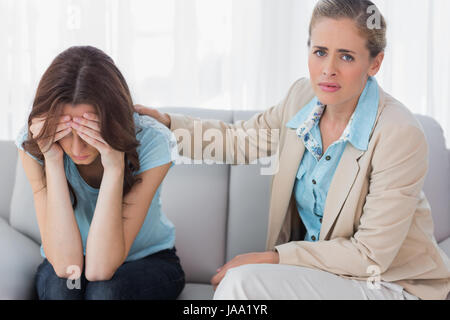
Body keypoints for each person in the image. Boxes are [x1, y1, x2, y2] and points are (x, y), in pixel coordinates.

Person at [135, 0, 450, 300]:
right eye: (320, 52)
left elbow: (369, 254)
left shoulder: (399, 134)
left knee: (242, 284)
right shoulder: (302, 98)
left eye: (346, 57)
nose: (328, 69)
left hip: (389, 284)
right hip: (327, 276)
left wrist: (273, 258)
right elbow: (240, 140)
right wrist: (166, 124)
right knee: (240, 284)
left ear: (375, 63)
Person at [16, 46, 185, 300]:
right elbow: (65, 266)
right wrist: (52, 159)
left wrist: (115, 166)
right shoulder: (36, 143)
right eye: (65, 133)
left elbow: (99, 269)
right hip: (68, 256)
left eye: (89, 131)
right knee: (62, 290)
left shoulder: (153, 141)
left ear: (113, 119)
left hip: (147, 260)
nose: (76, 147)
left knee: (105, 293)